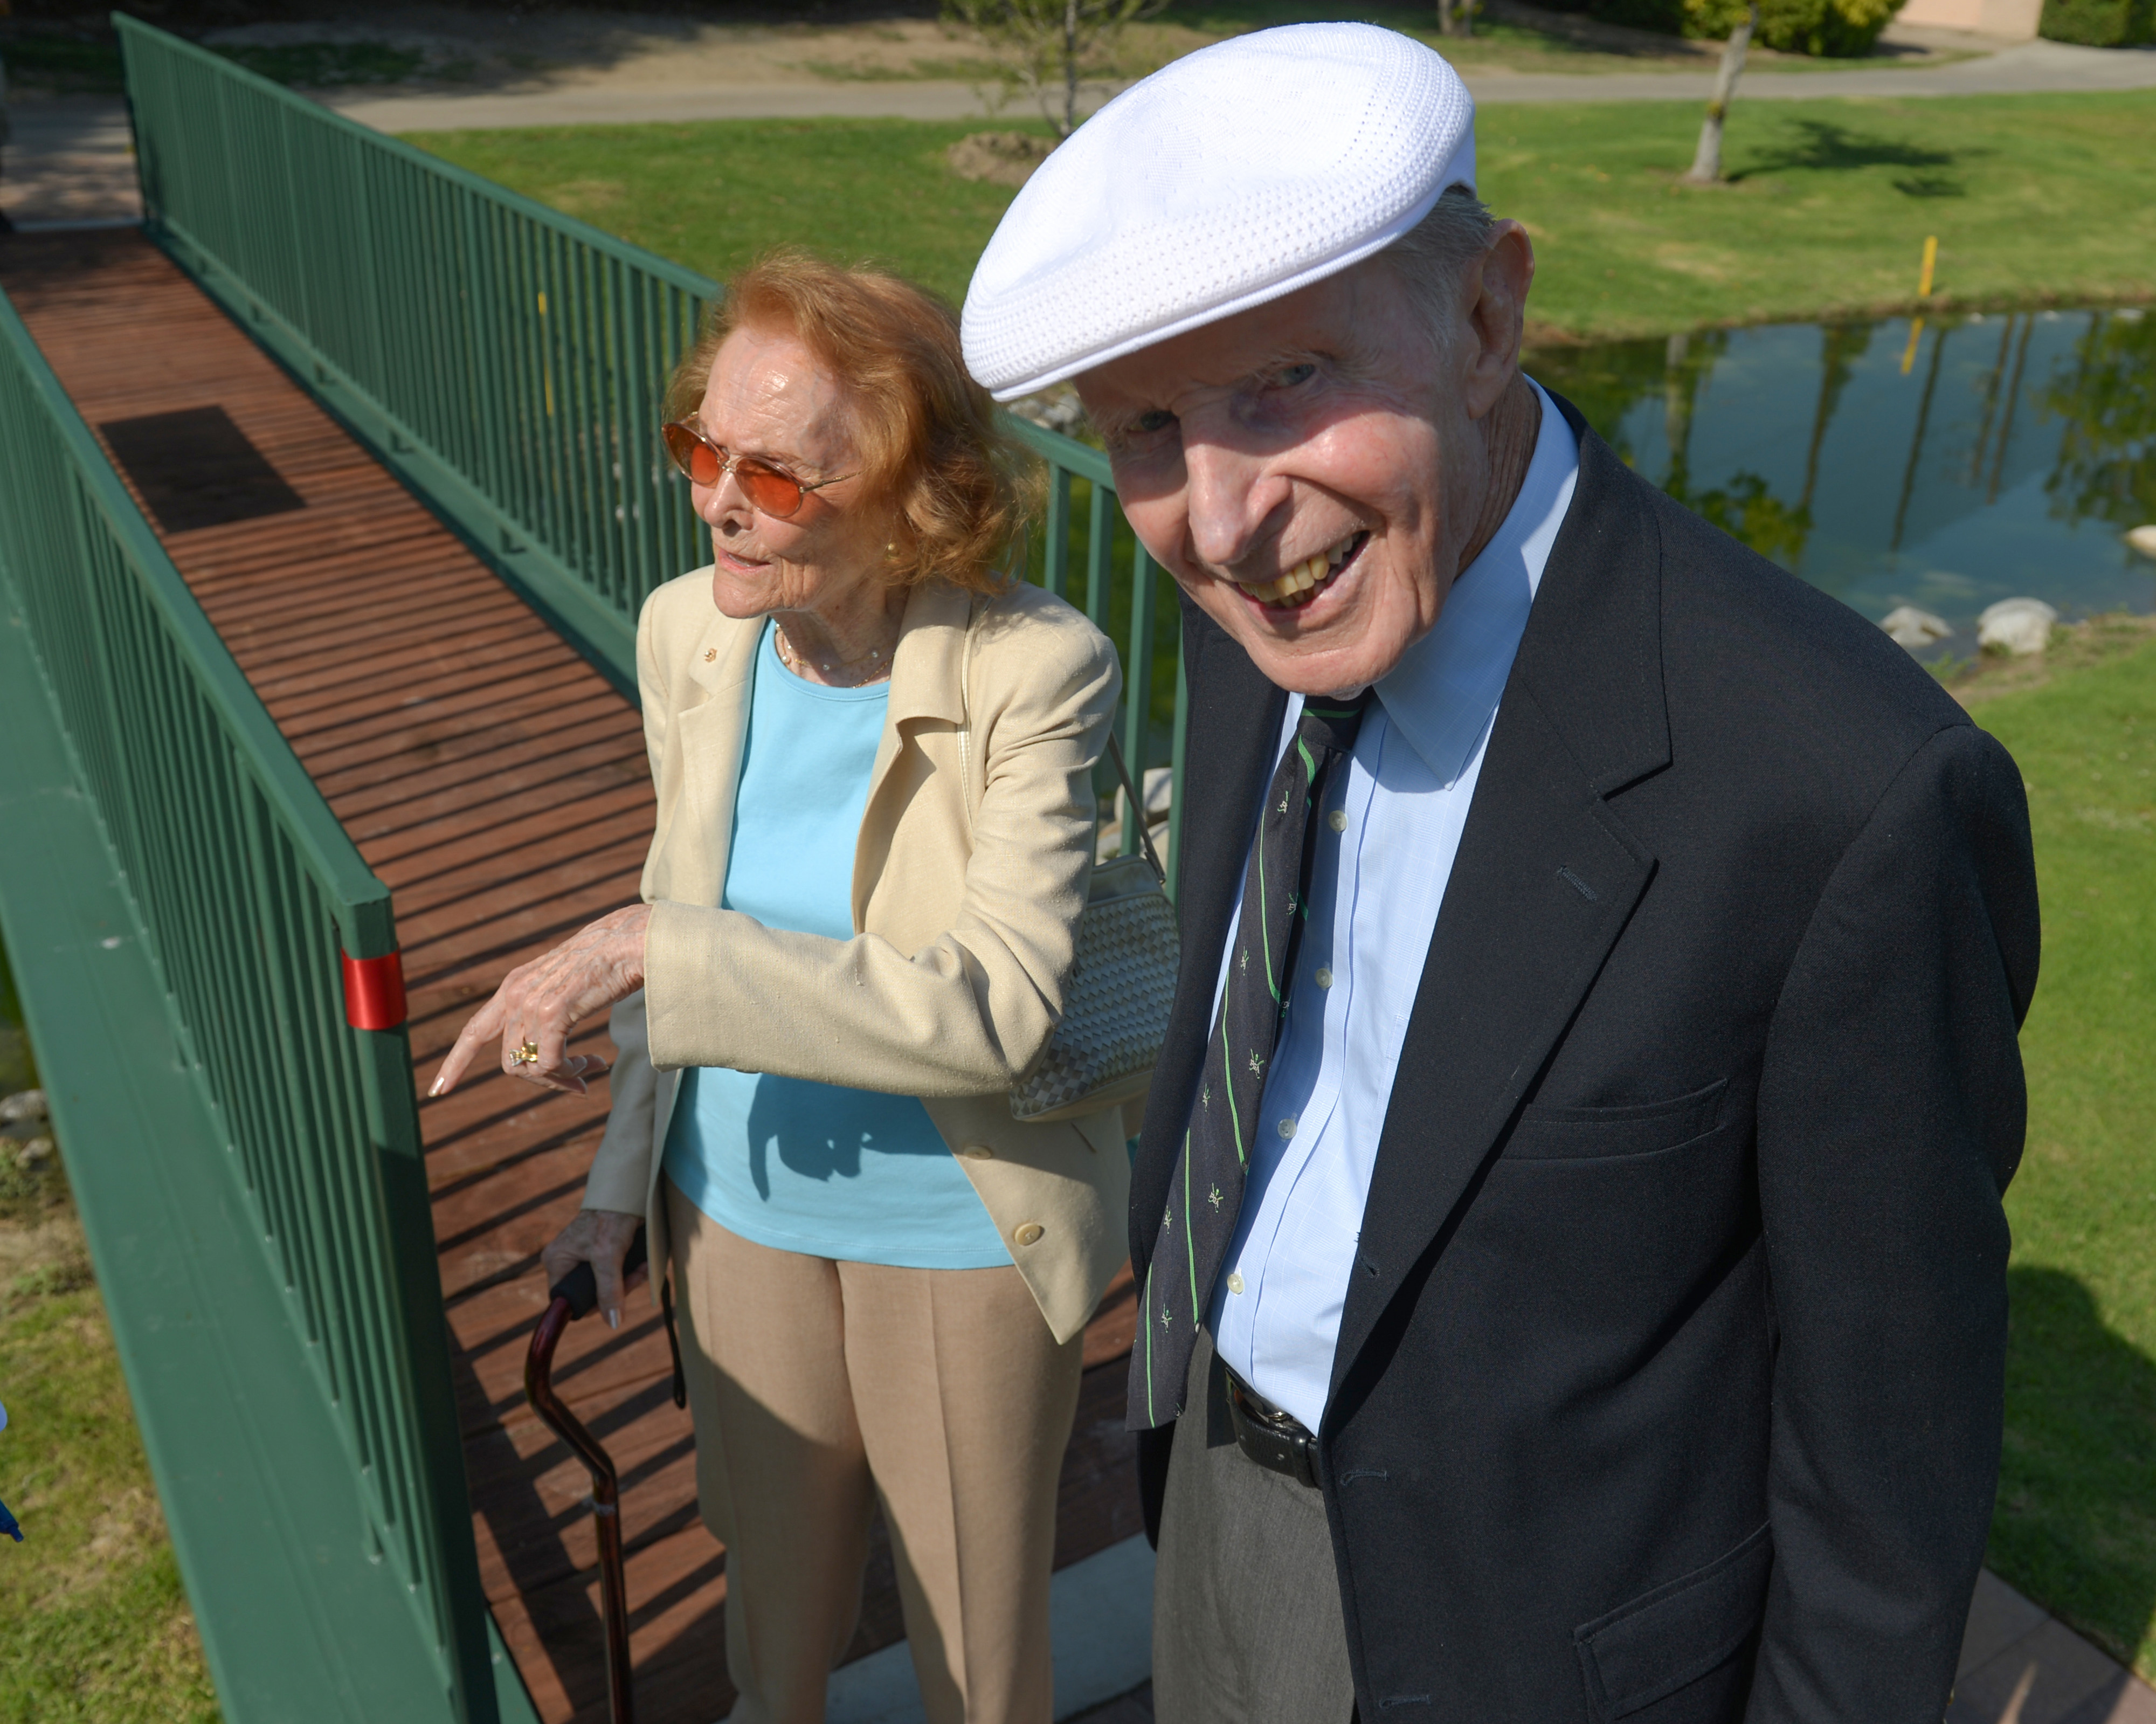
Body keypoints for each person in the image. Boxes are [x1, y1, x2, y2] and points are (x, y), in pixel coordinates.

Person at [960, 23, 2040, 1724]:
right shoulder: (1275, 616)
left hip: (1551, 1648)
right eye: (1149, 428)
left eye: (1285, 383)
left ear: (1485, 316)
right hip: (1218, 1508)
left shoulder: (1845, 793)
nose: (1225, 520)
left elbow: (1887, 1467)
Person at [434, 251, 1132, 1724]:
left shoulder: (1041, 667)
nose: (715, 503)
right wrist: (619, 1189)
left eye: (778, 476)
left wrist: (635, 952)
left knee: (974, 1668)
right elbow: (684, 900)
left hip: (954, 1232)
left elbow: (995, 1008)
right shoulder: (689, 630)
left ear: (913, 492)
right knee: (773, 1639)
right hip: (736, 1217)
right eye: (703, 448)